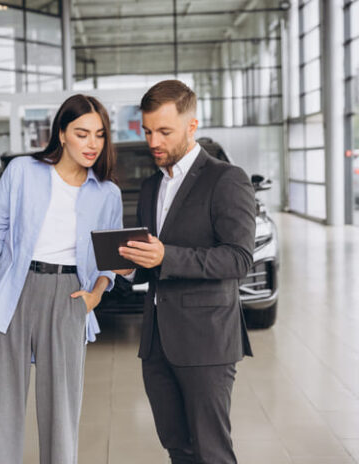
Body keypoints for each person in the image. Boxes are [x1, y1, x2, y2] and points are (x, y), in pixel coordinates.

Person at [0, 94, 123, 464]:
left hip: (69, 294)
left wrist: (96, 295)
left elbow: (109, 262)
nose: (92, 144)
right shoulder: (23, 171)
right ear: (61, 134)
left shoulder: (107, 193)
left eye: (100, 135)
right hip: (15, 288)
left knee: (61, 410)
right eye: (82, 133)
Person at [114, 80, 255, 464]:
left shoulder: (226, 179)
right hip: (157, 342)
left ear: (192, 126)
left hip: (207, 341)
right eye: (147, 131)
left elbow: (239, 259)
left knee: (212, 452)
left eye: (164, 131)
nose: (153, 141)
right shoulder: (149, 187)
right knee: (178, 447)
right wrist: (130, 268)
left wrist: (166, 257)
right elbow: (152, 266)